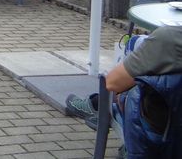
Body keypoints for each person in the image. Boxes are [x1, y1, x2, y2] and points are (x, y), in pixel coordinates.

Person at [67, 26, 182, 156]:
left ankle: (96, 106)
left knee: (129, 86)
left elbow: (112, 83)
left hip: (159, 137)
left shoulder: (170, 39)